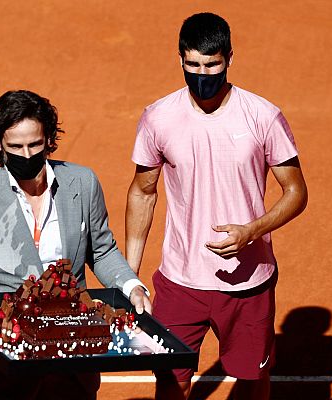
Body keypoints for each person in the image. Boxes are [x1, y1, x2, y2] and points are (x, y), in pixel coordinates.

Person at [125, 13, 308, 400]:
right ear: (180, 60)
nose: (202, 74)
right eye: (192, 65)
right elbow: (143, 191)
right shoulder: (158, 117)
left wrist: (251, 231)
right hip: (179, 281)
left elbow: (295, 191)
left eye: (212, 65)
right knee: (171, 382)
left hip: (248, 282)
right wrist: (131, 273)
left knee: (251, 380)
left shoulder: (262, 116)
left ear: (229, 58)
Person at [0, 90, 151, 400]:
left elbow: (102, 250)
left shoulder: (82, 183)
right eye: (15, 146)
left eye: (35, 144)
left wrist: (132, 287)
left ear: (49, 140)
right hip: (7, 373)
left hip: (72, 363)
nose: (27, 155)